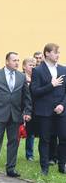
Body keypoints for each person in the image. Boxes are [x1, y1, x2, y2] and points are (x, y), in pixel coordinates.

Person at [0, 52, 32, 179]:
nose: (17, 62)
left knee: (14, 142)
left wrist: (27, 112)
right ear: (7, 61)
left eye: (18, 60)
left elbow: (26, 97)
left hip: (15, 115)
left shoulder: (21, 76)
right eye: (14, 60)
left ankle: (11, 168)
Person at [30, 43, 66, 175]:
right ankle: (44, 167)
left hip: (61, 110)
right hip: (44, 111)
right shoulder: (38, 70)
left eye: (58, 53)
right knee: (45, 139)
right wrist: (51, 85)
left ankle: (62, 165)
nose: (58, 55)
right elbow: (34, 91)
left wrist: (62, 105)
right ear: (47, 53)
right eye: (55, 52)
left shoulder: (63, 69)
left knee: (63, 138)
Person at [22, 57, 37, 161]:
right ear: (24, 66)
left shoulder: (37, 77)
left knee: (31, 132)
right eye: (30, 65)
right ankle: (28, 154)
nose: (32, 67)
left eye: (34, 65)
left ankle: (30, 154)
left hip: (35, 107)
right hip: (23, 107)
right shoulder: (21, 77)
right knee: (22, 132)